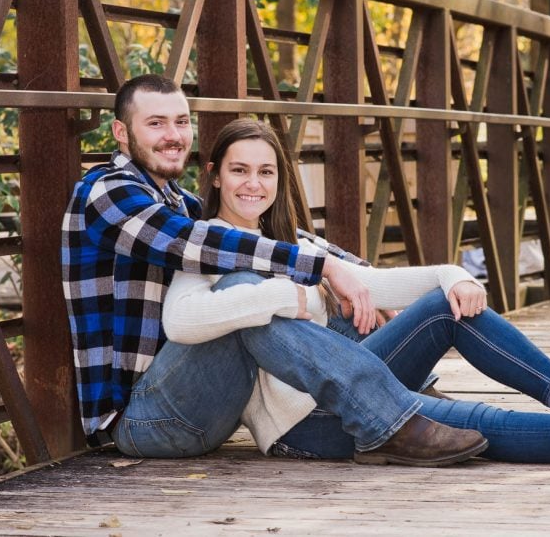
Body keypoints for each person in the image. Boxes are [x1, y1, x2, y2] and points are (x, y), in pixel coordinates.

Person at [158, 118, 550, 466]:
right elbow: (182, 321)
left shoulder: (298, 246)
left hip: (354, 371)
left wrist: (453, 274)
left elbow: (374, 281)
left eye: (266, 172)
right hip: (304, 424)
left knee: (447, 309)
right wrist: (297, 298)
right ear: (213, 176)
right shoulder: (201, 249)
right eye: (239, 171)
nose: (253, 184)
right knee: (471, 420)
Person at [62, 74, 489, 468]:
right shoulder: (106, 192)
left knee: (313, 293)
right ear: (121, 132)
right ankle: (391, 415)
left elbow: (285, 241)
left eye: (181, 122)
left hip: (203, 406)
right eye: (156, 123)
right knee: (244, 289)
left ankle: (408, 395)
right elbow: (196, 243)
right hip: (140, 420)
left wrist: (352, 276)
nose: (174, 136)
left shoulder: (181, 203)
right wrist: (316, 273)